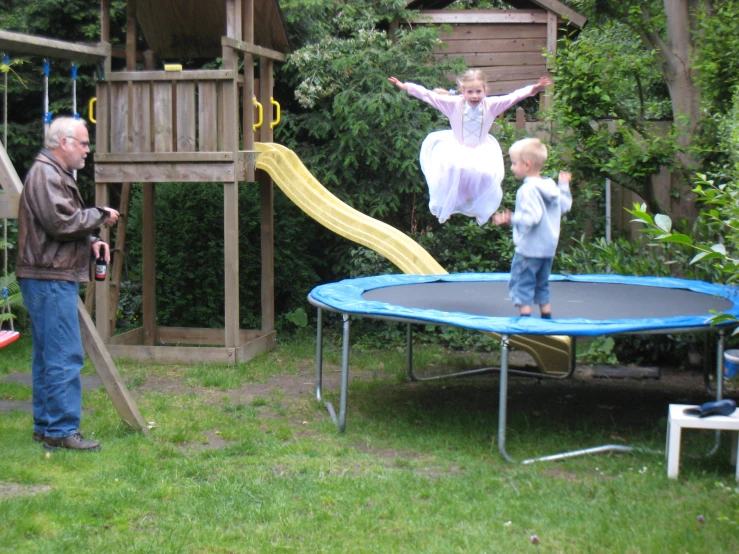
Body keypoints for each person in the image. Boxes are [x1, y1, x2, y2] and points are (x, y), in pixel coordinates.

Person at [16, 116, 119, 451]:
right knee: (63, 354)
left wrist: (90, 239)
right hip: (48, 275)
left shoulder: (52, 172)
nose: (88, 150)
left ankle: (46, 427)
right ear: (63, 143)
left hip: (45, 272)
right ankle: (61, 430)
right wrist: (100, 214)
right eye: (83, 143)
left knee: (49, 354)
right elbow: (61, 223)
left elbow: (58, 225)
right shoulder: (47, 173)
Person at [388, 71, 552, 225]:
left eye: (478, 92)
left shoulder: (491, 106)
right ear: (463, 91)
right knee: (452, 168)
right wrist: (405, 86)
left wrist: (534, 89)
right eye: (470, 92)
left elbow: (513, 97)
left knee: (487, 174)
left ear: (485, 90)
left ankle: (474, 204)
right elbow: (428, 95)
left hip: (481, 149)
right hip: (457, 147)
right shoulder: (453, 104)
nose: (475, 96)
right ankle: (451, 202)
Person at [492, 137, 572, 319]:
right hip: (548, 250)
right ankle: (546, 316)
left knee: (522, 284)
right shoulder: (550, 186)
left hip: (529, 250)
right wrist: (564, 186)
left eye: (513, 163)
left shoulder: (527, 190)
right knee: (542, 284)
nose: (511, 168)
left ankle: (525, 322)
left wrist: (510, 218)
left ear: (526, 165)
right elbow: (565, 206)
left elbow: (532, 218)